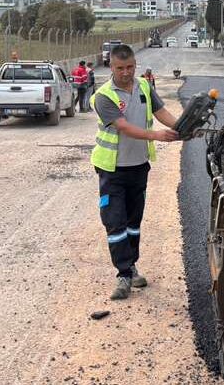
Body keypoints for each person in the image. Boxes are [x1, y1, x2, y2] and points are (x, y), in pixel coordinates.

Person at [90, 45, 181, 300]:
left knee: (133, 223)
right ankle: (123, 275)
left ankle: (131, 266)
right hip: (112, 170)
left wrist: (184, 127)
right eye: (120, 68)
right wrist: (158, 136)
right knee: (115, 221)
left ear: (135, 64)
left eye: (130, 67)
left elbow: (162, 112)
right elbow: (124, 127)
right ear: (111, 67)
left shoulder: (143, 87)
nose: (126, 73)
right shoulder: (104, 96)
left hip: (138, 167)